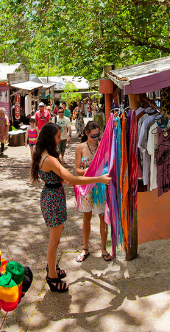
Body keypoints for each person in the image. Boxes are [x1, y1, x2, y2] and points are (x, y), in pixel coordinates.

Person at [31, 123, 110, 293]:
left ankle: (52, 267)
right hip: (53, 200)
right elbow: (73, 179)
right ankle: (52, 276)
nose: (60, 140)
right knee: (54, 241)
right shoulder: (50, 159)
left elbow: (58, 177)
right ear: (50, 138)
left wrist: (63, 180)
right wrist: (99, 179)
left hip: (52, 196)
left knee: (56, 237)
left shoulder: (42, 154)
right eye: (58, 137)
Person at [74, 121, 112, 262]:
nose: (95, 138)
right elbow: (77, 170)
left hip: (100, 187)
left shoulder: (103, 147)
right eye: (92, 136)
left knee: (103, 218)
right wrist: (91, 172)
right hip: (86, 187)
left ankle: (103, 248)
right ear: (86, 133)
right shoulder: (80, 147)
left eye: (97, 135)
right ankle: (85, 248)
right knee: (86, 218)